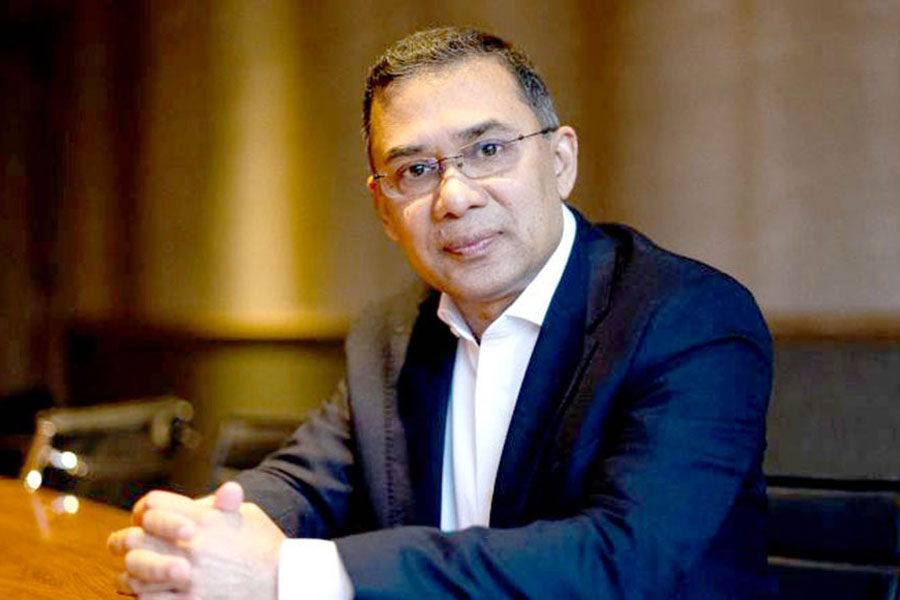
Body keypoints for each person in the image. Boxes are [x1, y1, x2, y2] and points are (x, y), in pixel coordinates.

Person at [107, 26, 774, 599]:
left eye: (488, 150)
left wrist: (294, 573)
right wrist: (201, 538)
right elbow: (306, 481)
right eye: (416, 171)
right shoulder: (393, 334)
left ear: (560, 160)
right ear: (384, 210)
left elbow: (622, 559)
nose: (454, 198)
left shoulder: (688, 320)